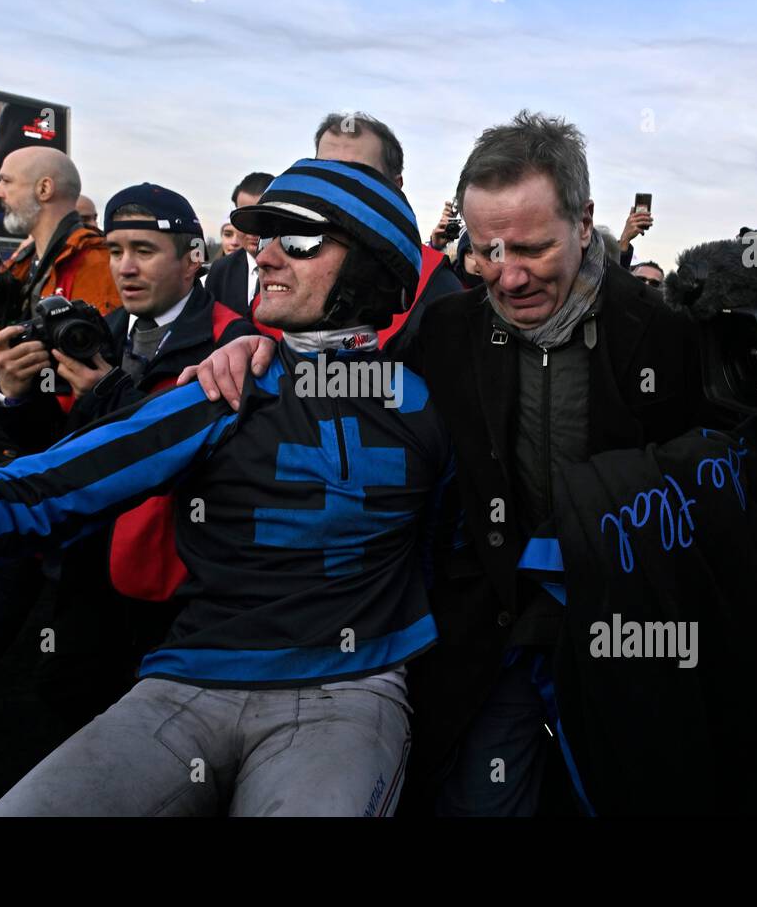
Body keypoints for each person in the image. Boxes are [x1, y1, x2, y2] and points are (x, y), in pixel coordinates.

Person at [0, 158, 450, 817]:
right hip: (191, 681)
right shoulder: (224, 387)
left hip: (353, 691)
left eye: (301, 238)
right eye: (264, 237)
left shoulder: (439, 404)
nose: (267, 256)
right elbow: (40, 495)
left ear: (372, 265)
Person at [185, 111, 715, 815]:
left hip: (620, 633)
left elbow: (712, 490)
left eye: (531, 249)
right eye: (487, 251)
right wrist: (257, 353)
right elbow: (359, 398)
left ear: (584, 224)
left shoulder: (666, 335)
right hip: (491, 640)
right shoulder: (446, 328)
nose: (509, 276)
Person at [0, 183, 257, 753]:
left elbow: (214, 459)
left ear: (192, 259)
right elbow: (51, 453)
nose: (125, 268)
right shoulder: (98, 333)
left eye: (145, 250)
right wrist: (13, 393)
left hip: (167, 572)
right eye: (115, 250)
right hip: (82, 555)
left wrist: (110, 394)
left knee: (150, 726)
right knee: (67, 692)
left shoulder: (233, 342)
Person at [0, 146, 119, 468]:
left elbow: (99, 365)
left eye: (6, 181)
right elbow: (1, 350)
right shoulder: (23, 261)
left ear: (44, 188)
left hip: (48, 449)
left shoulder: (98, 263)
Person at [203, 172, 273, 316]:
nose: (253, 228)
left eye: (263, 216)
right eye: (245, 217)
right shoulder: (220, 270)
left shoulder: (296, 268)